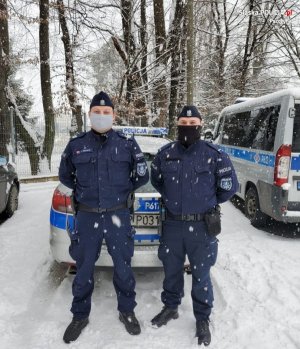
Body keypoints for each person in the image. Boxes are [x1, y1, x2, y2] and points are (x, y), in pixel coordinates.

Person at [59, 91, 149, 343]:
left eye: (106, 112)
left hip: (118, 214)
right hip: (87, 217)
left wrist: (123, 192)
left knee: (123, 266)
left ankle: (127, 310)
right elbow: (65, 175)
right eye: (96, 112)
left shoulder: (127, 143)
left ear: (113, 115)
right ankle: (79, 315)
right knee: (84, 268)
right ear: (90, 115)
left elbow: (142, 175)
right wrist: (83, 193)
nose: (101, 116)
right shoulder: (76, 145)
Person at [150, 105, 238, 346]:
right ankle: (171, 307)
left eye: (192, 124)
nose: (188, 128)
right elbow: (157, 180)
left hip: (202, 227)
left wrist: (205, 203)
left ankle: (202, 318)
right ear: (177, 125)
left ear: (200, 125)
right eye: (183, 124)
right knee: (171, 271)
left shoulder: (215, 154)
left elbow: (229, 187)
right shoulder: (165, 154)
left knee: (201, 274)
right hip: (173, 226)